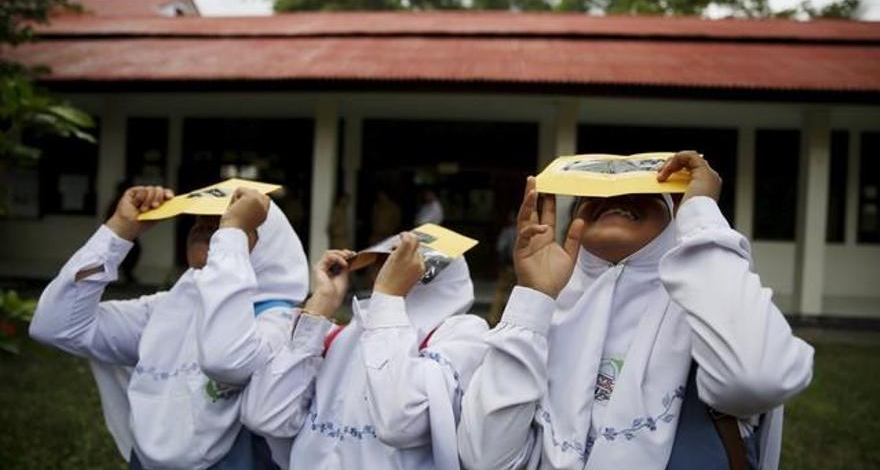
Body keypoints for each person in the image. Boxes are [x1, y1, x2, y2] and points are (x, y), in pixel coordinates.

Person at [458, 151, 814, 470]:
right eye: (597, 194)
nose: (620, 194)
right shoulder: (542, 322)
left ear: (675, 222)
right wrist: (534, 298)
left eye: (646, 190)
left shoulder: (710, 315)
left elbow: (759, 378)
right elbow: (485, 459)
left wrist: (702, 216)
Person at [29, 185, 308, 470]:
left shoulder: (280, 323)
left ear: (267, 244)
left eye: (225, 222)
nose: (206, 228)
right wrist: (120, 230)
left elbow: (226, 360)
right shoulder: (169, 309)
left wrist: (231, 236)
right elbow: (55, 325)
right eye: (201, 220)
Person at [240, 233, 489, 469]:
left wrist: (389, 299)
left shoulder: (461, 335)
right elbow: (263, 415)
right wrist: (319, 307)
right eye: (381, 262)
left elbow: (398, 423)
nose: (381, 273)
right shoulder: (343, 335)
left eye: (394, 262)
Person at [488, 211, 517, 326]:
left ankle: (493, 318)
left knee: (500, 292)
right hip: (520, 267)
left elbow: (501, 248)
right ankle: (513, 320)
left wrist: (501, 264)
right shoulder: (527, 231)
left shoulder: (507, 232)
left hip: (509, 265)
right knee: (516, 293)